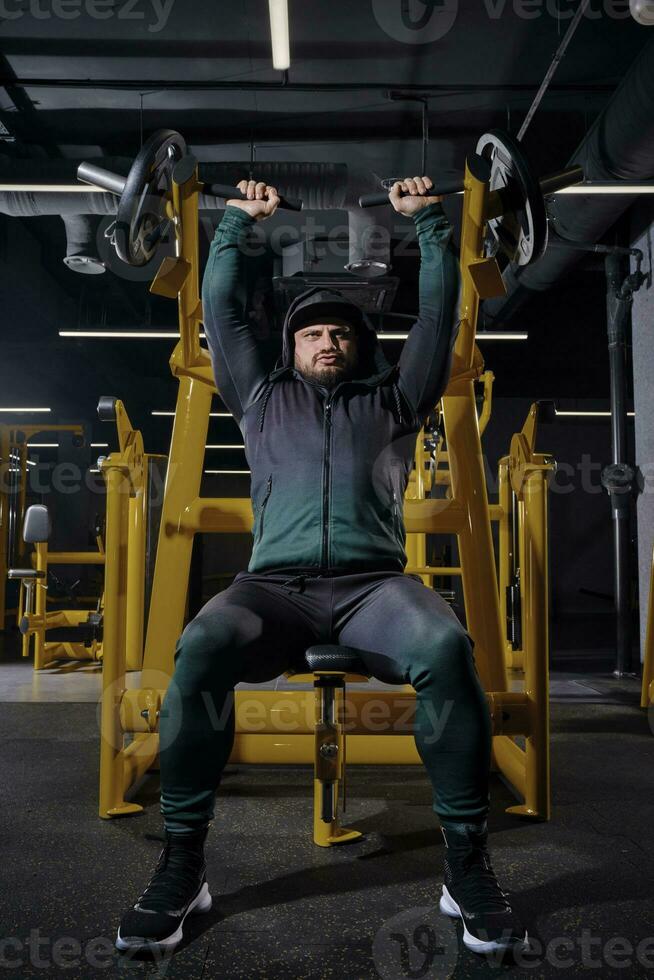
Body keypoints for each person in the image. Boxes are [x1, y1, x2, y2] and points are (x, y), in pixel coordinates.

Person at [116, 176, 528, 957]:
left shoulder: (398, 400)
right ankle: (183, 862)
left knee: (445, 648)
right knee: (200, 647)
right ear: (291, 348)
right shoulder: (259, 396)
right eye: (311, 334)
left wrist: (430, 225)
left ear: (359, 346)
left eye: (339, 332)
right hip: (273, 589)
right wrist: (236, 223)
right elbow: (221, 312)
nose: (327, 340)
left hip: (377, 587)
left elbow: (439, 318)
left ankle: (466, 864)